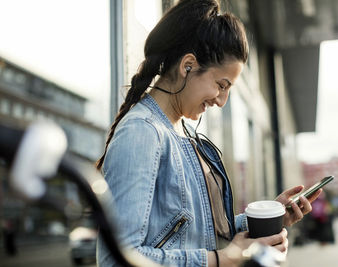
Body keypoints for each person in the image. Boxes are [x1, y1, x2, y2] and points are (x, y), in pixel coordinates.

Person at [96, 0, 321, 266]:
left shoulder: (186, 134)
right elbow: (116, 258)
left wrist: (268, 218)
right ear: (188, 65)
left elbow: (200, 234)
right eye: (221, 85)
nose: (222, 101)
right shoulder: (141, 133)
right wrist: (223, 259)